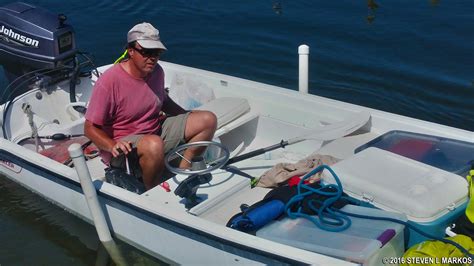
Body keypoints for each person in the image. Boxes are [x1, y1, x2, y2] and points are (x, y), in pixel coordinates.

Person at [84, 22, 217, 190]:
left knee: (207, 119)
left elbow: (164, 101)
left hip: (154, 133)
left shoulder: (157, 71)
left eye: (157, 52)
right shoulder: (109, 82)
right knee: (154, 144)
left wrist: (186, 116)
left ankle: (183, 172)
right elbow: (89, 128)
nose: (152, 58)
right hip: (123, 148)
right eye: (146, 52)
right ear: (130, 51)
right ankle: (151, 191)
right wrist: (112, 145)